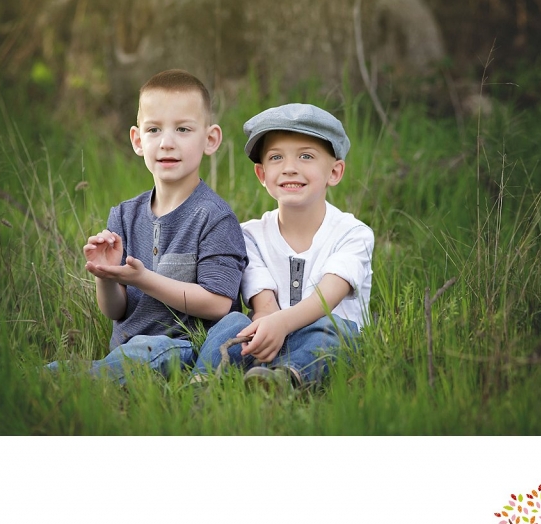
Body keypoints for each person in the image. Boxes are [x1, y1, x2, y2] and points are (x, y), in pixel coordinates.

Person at [46, 69, 247, 383]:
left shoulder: (214, 217)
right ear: (138, 140)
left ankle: (61, 380)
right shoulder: (124, 215)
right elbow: (115, 311)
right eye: (154, 130)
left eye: (183, 129)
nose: (166, 143)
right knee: (131, 355)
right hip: (128, 349)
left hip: (183, 349)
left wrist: (143, 279)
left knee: (144, 354)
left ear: (210, 139)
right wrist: (107, 276)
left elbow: (219, 304)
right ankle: (56, 379)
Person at [192, 102, 374, 389]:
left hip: (324, 341)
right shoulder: (249, 235)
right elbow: (263, 306)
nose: (290, 168)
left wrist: (282, 325)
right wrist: (269, 327)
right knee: (234, 322)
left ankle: (285, 380)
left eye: (306, 156)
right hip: (267, 337)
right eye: (276, 158)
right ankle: (203, 381)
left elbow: (327, 298)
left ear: (335, 173)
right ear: (262, 175)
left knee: (335, 329)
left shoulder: (353, 234)